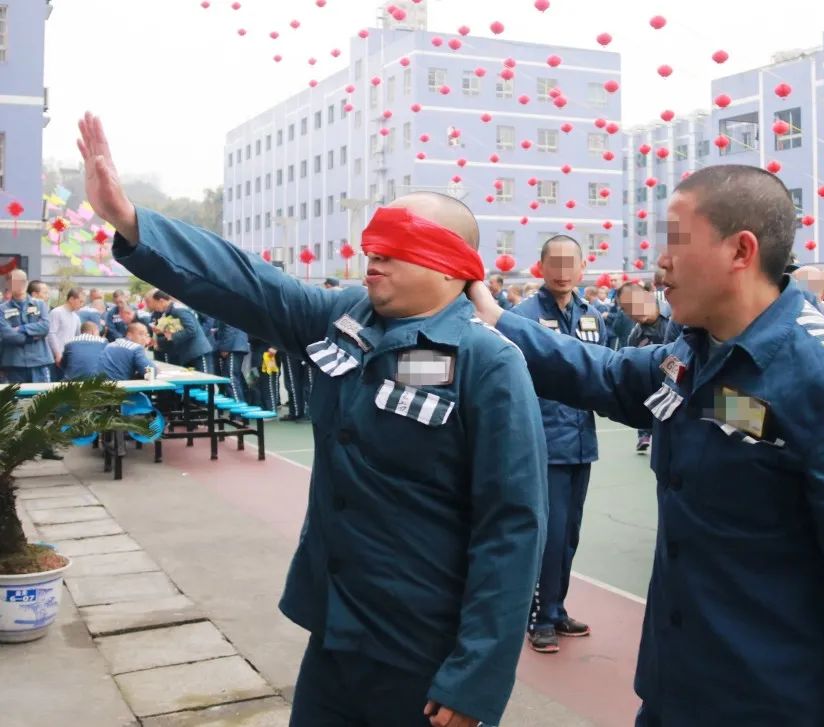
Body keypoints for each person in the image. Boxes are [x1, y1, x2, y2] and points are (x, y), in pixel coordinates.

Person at [80, 109, 547, 727]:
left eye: (395, 249)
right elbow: (250, 283)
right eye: (372, 247)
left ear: (450, 265)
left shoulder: (488, 363)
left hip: (422, 645)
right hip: (336, 623)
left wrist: (476, 677)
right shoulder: (344, 318)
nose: (372, 259)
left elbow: (511, 527)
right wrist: (131, 221)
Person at [470, 164, 824, 724]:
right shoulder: (694, 355)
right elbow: (608, 374)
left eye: (675, 241)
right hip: (677, 685)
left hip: (772, 699)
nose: (659, 261)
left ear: (741, 251)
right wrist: (496, 319)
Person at [510, 234, 606, 654]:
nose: (564, 271)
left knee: (569, 534)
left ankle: (557, 606)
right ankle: (539, 618)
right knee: (545, 534)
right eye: (556, 263)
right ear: (541, 266)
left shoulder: (593, 316)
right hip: (543, 440)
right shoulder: (522, 316)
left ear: (583, 269)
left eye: (572, 264)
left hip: (582, 441)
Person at [623, 283, 670, 454]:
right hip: (659, 387)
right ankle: (644, 435)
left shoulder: (678, 318)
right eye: (627, 309)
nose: (633, 312)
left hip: (683, 390)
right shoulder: (635, 335)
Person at [0, 270, 54, 384]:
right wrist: (32, 336)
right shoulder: (2, 309)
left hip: (39, 362)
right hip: (14, 364)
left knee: (42, 400)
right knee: (16, 401)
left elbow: (45, 327)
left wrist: (21, 329)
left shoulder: (40, 305)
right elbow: (7, 335)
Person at [146, 290, 214, 371]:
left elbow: (191, 329)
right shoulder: (168, 312)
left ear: (161, 301)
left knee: (204, 381)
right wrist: (161, 334)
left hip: (197, 352)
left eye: (155, 304)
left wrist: (172, 336)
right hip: (185, 354)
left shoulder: (178, 309)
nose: (155, 309)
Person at [48, 287, 86, 376]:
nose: (82, 304)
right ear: (71, 299)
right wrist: (57, 354)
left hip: (68, 358)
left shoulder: (76, 317)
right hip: (55, 358)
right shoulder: (56, 312)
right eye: (80, 301)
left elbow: (78, 337)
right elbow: (51, 333)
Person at [216, 321, 250, 403]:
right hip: (236, 345)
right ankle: (240, 407)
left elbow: (230, 327)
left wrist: (225, 348)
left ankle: (239, 409)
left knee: (231, 378)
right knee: (234, 378)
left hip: (233, 346)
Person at [248, 334, 281, 412]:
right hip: (257, 354)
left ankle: (271, 410)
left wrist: (274, 347)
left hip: (268, 355)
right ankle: (262, 409)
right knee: (255, 384)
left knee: (268, 386)